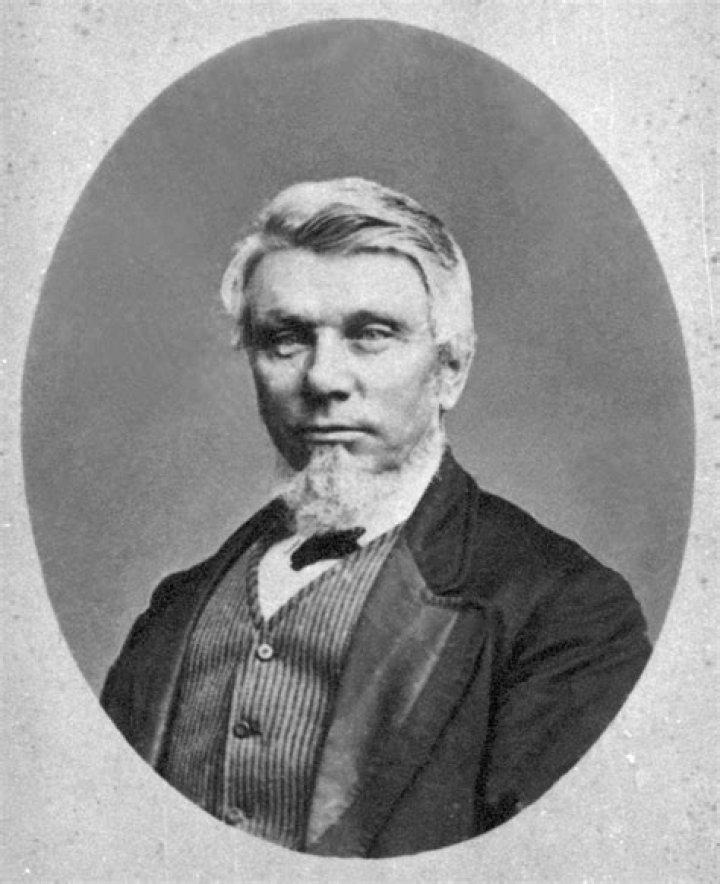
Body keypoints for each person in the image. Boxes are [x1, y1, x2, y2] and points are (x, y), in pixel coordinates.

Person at [101, 178, 651, 858]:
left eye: (371, 335)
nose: (323, 379)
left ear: (451, 369)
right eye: (285, 339)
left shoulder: (564, 612)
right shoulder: (174, 612)